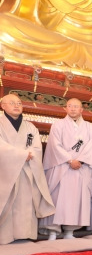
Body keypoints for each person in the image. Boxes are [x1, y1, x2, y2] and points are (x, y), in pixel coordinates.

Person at [0, 93, 55, 244]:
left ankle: (25, 234)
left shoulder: (30, 127)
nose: (17, 105)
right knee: (7, 202)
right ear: (3, 106)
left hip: (27, 170)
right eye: (12, 103)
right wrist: (21, 154)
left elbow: (36, 148)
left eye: (19, 103)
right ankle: (5, 236)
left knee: (26, 201)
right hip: (5, 171)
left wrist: (27, 154)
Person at [40, 98, 92, 240]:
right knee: (57, 198)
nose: (72, 109)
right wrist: (70, 160)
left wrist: (80, 160)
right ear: (65, 108)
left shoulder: (90, 127)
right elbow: (55, 145)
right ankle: (53, 231)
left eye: (76, 106)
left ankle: (70, 231)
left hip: (81, 168)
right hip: (61, 167)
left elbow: (91, 146)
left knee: (76, 199)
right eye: (70, 106)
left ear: (81, 110)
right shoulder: (58, 125)